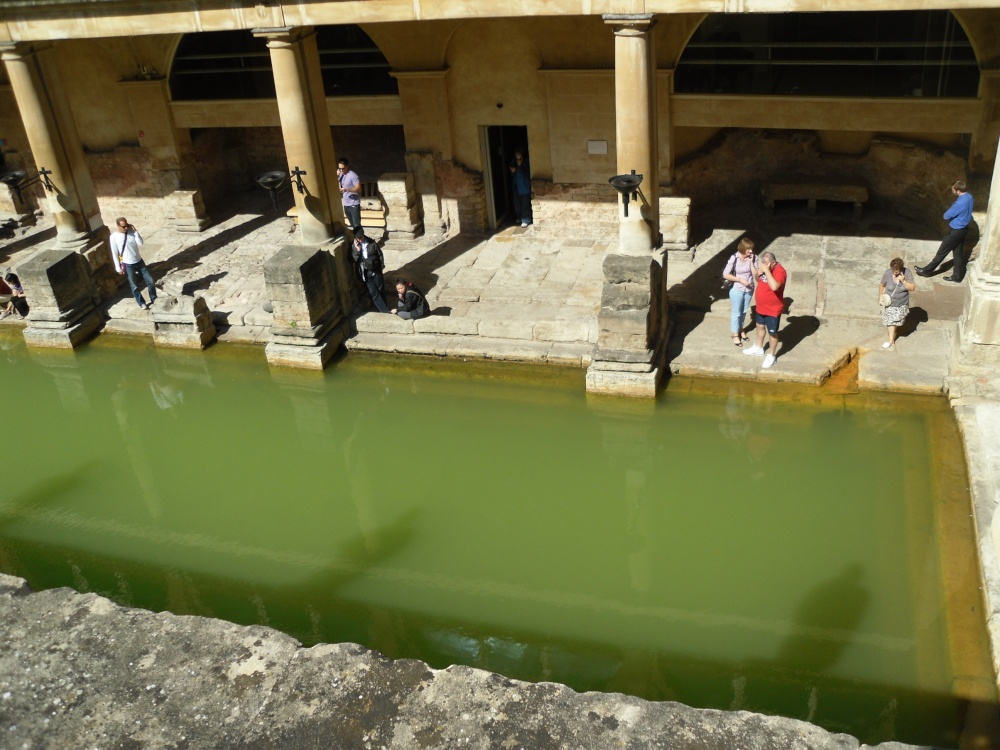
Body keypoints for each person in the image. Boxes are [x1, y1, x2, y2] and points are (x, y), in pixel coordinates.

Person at [915, 180, 973, 283]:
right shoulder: (969, 197)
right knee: (958, 255)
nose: (953, 191)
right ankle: (957, 277)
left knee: (941, 252)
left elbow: (946, 215)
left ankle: (926, 271)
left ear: (958, 190)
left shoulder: (960, 202)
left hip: (956, 231)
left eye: (953, 190)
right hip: (963, 230)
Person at [743, 251, 786, 369]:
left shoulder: (780, 271)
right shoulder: (765, 267)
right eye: (763, 263)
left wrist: (766, 271)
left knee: (772, 333)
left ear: (773, 262)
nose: (764, 265)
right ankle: (758, 347)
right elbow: (758, 279)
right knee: (759, 326)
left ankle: (771, 355)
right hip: (761, 306)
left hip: (773, 309)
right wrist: (757, 271)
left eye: (766, 264)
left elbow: (774, 287)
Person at [110, 216, 157, 309]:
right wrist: (118, 268)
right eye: (123, 227)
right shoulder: (114, 237)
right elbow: (114, 252)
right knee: (134, 285)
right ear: (118, 226)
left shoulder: (131, 232)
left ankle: (154, 298)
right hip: (128, 264)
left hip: (139, 261)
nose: (126, 228)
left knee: (150, 280)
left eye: (127, 225)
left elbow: (140, 243)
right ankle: (141, 303)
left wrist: (135, 231)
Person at [722, 237, 757, 347]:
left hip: (749, 288)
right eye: (748, 249)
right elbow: (725, 274)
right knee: (736, 312)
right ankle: (735, 334)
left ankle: (741, 328)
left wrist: (751, 263)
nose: (751, 251)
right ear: (743, 248)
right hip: (737, 288)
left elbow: (756, 275)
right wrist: (740, 279)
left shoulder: (754, 258)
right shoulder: (734, 258)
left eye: (751, 249)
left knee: (744, 311)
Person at [878, 257, 916, 349]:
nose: (894, 272)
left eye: (897, 270)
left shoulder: (907, 273)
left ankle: (892, 331)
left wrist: (903, 281)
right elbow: (882, 285)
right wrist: (880, 297)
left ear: (901, 268)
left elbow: (912, 288)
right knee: (890, 321)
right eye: (893, 270)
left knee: (897, 321)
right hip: (890, 303)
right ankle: (891, 340)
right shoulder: (887, 273)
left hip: (901, 303)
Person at [352, 227, 389, 313]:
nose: (360, 240)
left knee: (380, 289)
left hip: (376, 270)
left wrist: (381, 266)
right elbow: (355, 259)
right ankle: (385, 311)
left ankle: (384, 307)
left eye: (361, 237)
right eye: (358, 238)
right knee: (373, 293)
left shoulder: (372, 243)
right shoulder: (354, 246)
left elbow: (380, 254)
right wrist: (358, 250)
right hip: (366, 273)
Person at [509, 148, 532, 228]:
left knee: (525, 204)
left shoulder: (526, 161)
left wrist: (520, 166)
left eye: (519, 154)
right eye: (516, 154)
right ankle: (520, 217)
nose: (517, 155)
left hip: (524, 185)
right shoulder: (513, 161)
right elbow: (510, 170)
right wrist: (512, 171)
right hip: (516, 185)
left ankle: (526, 219)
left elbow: (527, 172)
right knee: (517, 204)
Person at [337, 157, 362, 230]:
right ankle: (358, 239)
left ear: (347, 166)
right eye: (340, 168)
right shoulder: (340, 175)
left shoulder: (353, 175)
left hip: (353, 203)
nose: (341, 170)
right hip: (346, 203)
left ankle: (362, 240)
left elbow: (358, 188)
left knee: (357, 224)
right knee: (353, 225)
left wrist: (347, 189)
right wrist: (337, 175)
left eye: (343, 168)